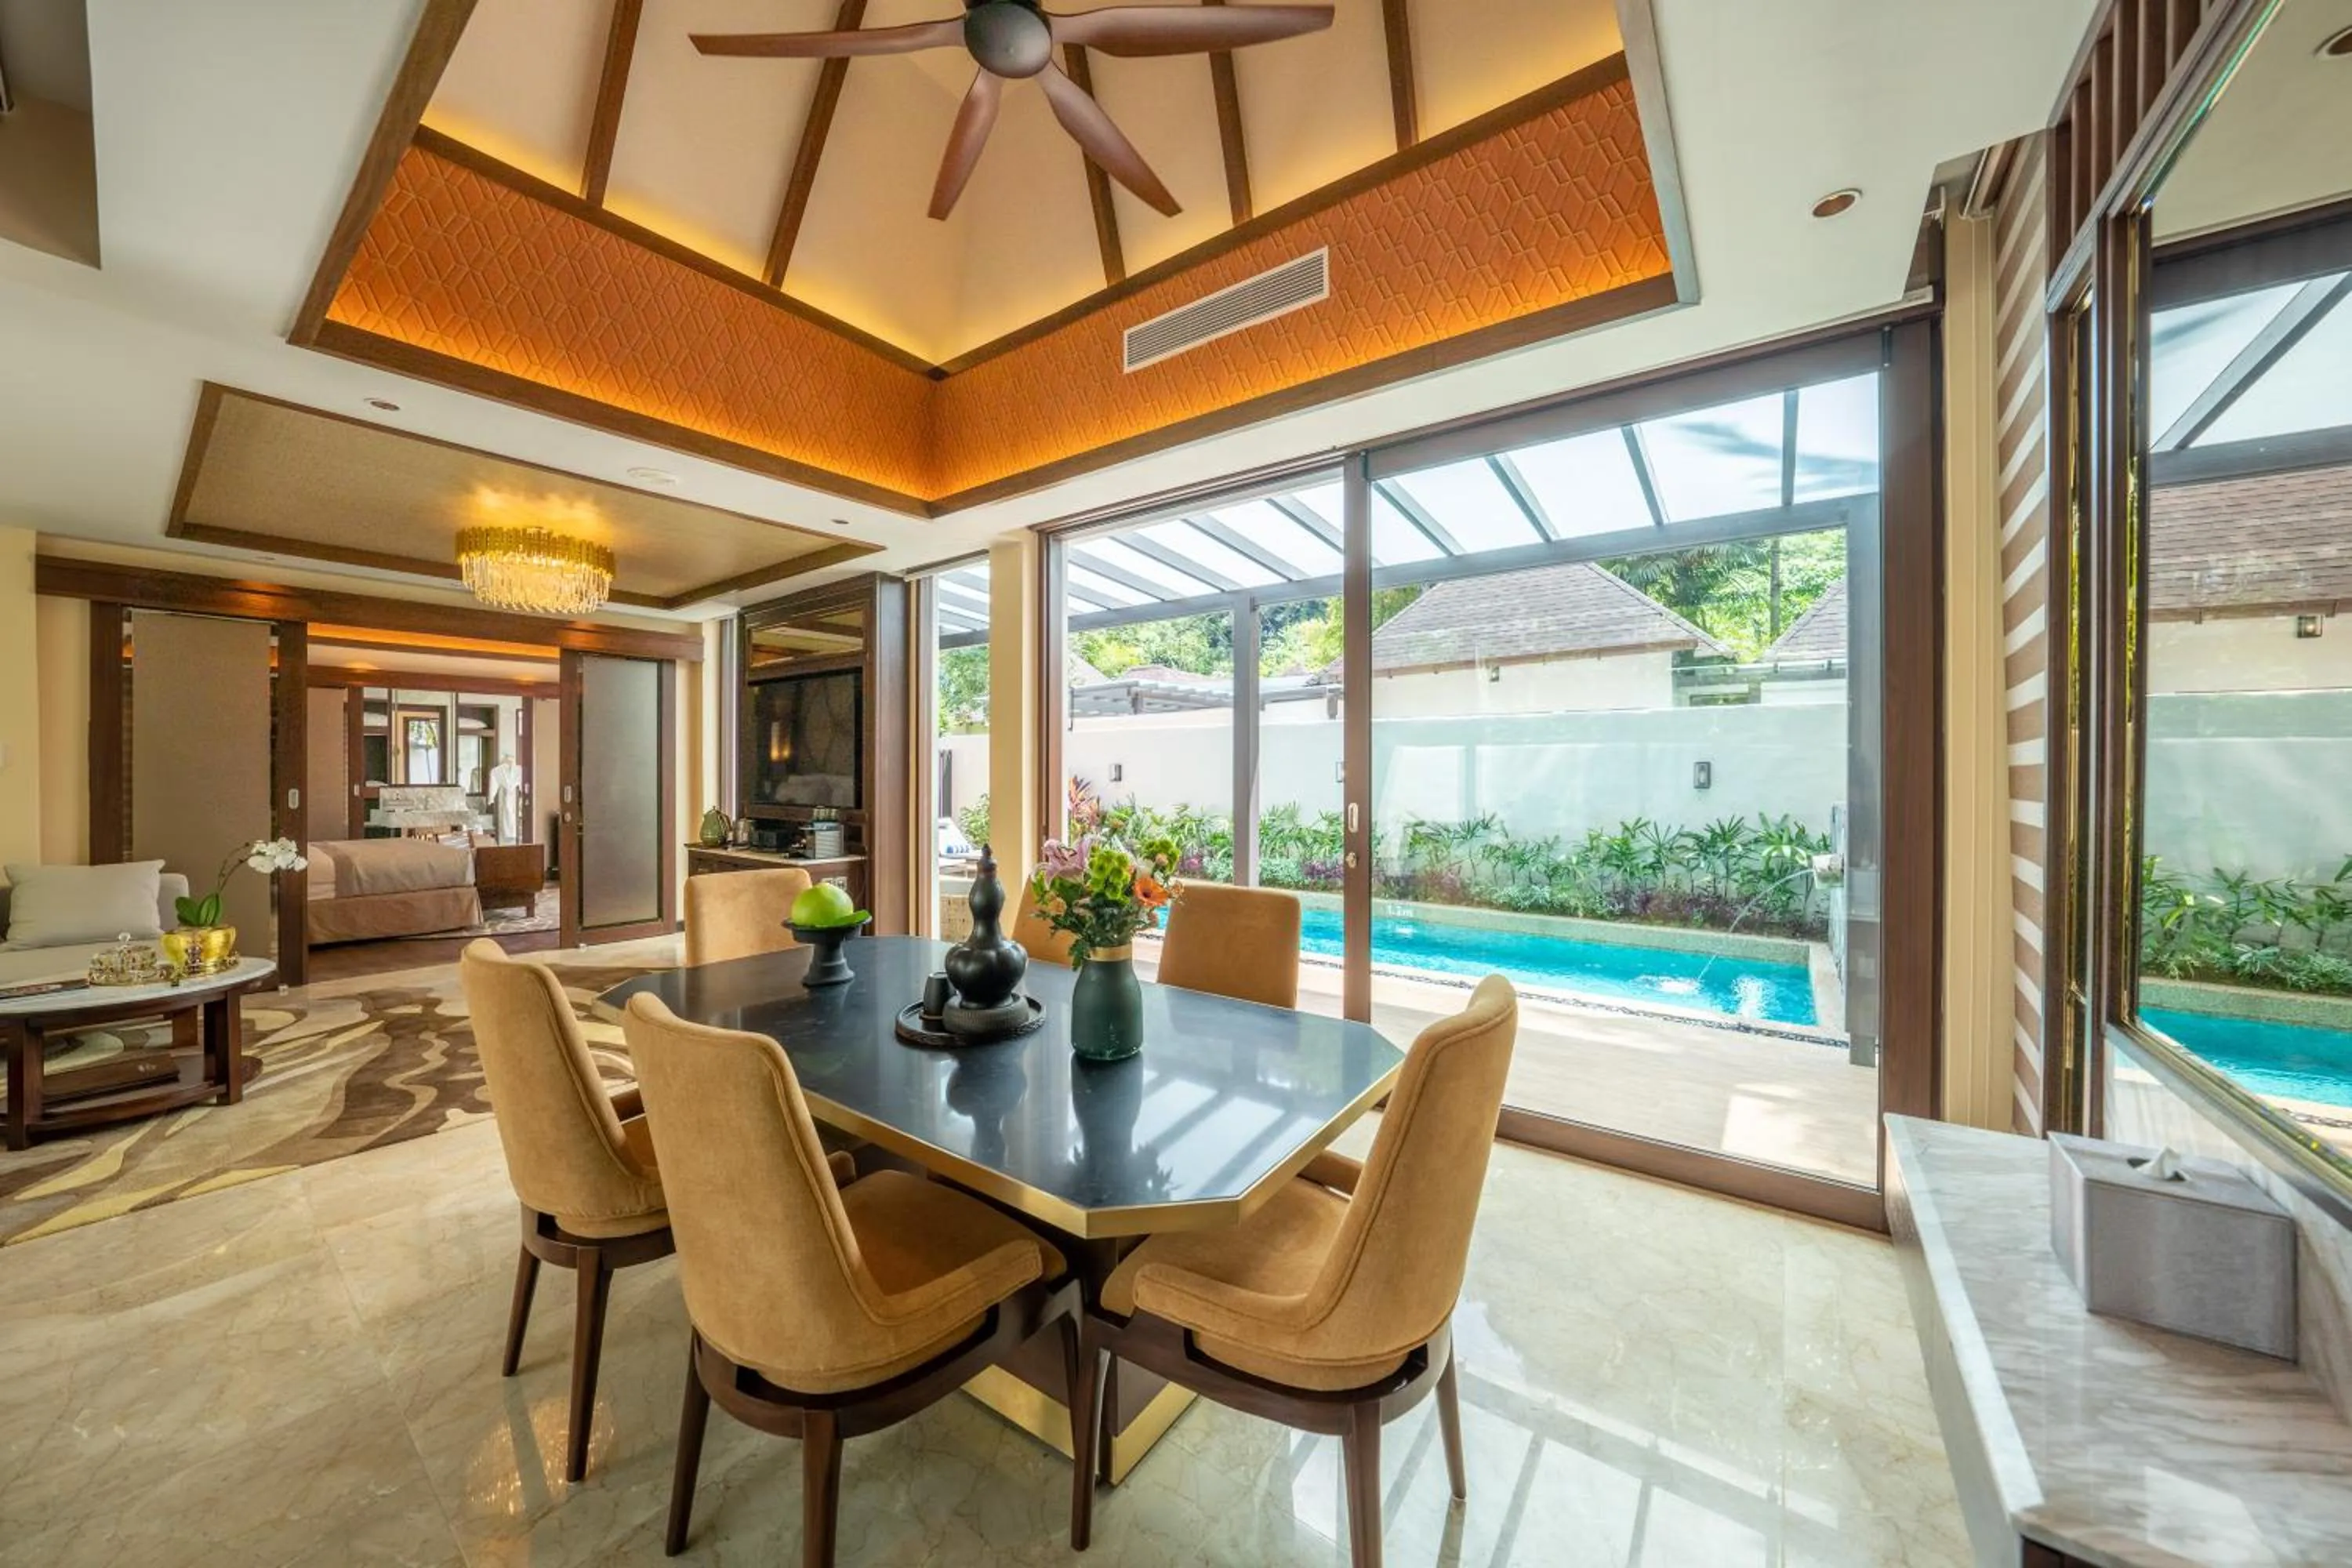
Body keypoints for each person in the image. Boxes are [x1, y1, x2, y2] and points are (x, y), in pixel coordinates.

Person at [485, 753, 525, 844]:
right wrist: (491, 799)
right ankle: (509, 836)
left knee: (513, 813)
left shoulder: (519, 770)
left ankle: (513, 835)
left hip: (515, 797)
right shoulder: (497, 771)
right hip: (506, 797)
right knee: (507, 812)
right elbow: (493, 786)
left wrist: (525, 795)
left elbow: (524, 784)